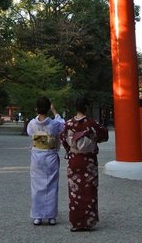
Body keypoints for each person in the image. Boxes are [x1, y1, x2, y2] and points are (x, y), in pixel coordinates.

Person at [60, 97, 108, 232]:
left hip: (74, 160)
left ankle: (76, 222)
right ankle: (88, 222)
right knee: (89, 190)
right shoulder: (92, 124)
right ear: (86, 107)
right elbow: (103, 136)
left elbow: (63, 139)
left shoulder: (68, 124)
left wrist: (71, 148)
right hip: (89, 162)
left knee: (75, 192)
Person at [27, 97, 65, 226]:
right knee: (51, 185)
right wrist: (54, 111)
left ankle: (37, 216)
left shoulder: (32, 124)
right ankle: (51, 216)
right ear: (49, 108)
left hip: (37, 156)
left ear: (37, 108)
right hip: (50, 156)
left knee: (36, 186)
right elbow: (62, 124)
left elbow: (30, 133)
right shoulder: (53, 124)